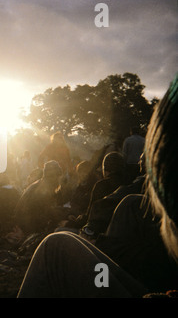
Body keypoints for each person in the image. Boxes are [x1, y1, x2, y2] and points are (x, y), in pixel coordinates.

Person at [17, 75, 178, 298]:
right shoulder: (129, 195)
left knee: (56, 246)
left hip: (122, 271)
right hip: (147, 276)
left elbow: (98, 208)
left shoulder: (107, 187)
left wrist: (88, 232)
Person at [13, 160, 67, 236]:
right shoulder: (44, 189)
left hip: (27, 222)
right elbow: (45, 212)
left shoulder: (41, 184)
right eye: (57, 176)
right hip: (29, 226)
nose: (58, 179)